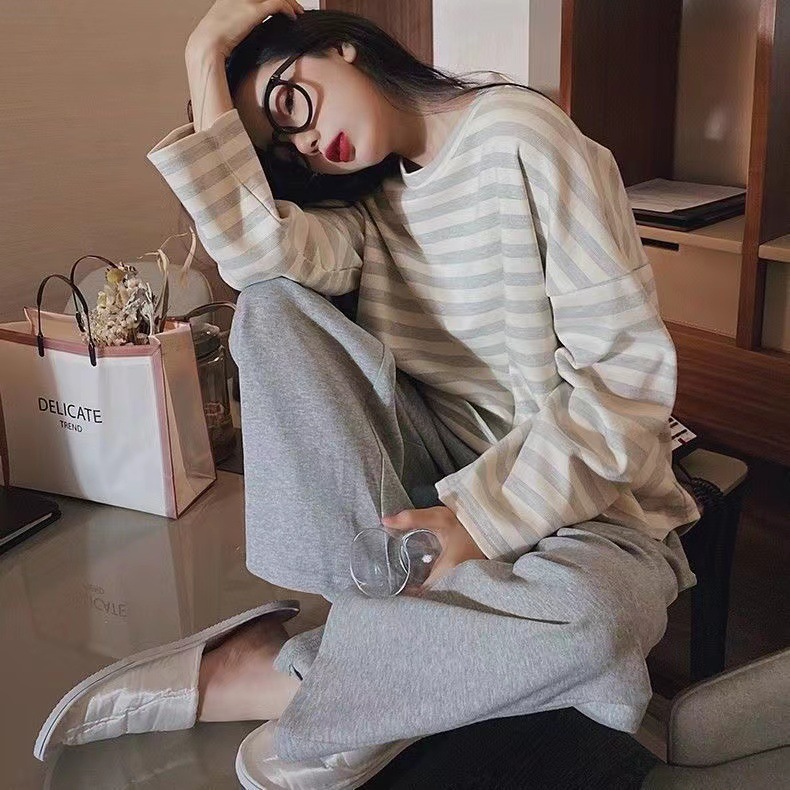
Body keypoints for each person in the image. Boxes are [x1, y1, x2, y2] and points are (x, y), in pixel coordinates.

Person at [36, 1, 701, 787]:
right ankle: (407, 664)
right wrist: (201, 53)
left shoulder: (522, 135)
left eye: (289, 103)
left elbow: (624, 383)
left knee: (603, 623)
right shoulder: (365, 213)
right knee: (272, 307)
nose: (305, 144)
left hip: (583, 506)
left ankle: (285, 676)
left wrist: (481, 521)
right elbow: (254, 254)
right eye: (283, 147)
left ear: (339, 46)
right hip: (424, 488)